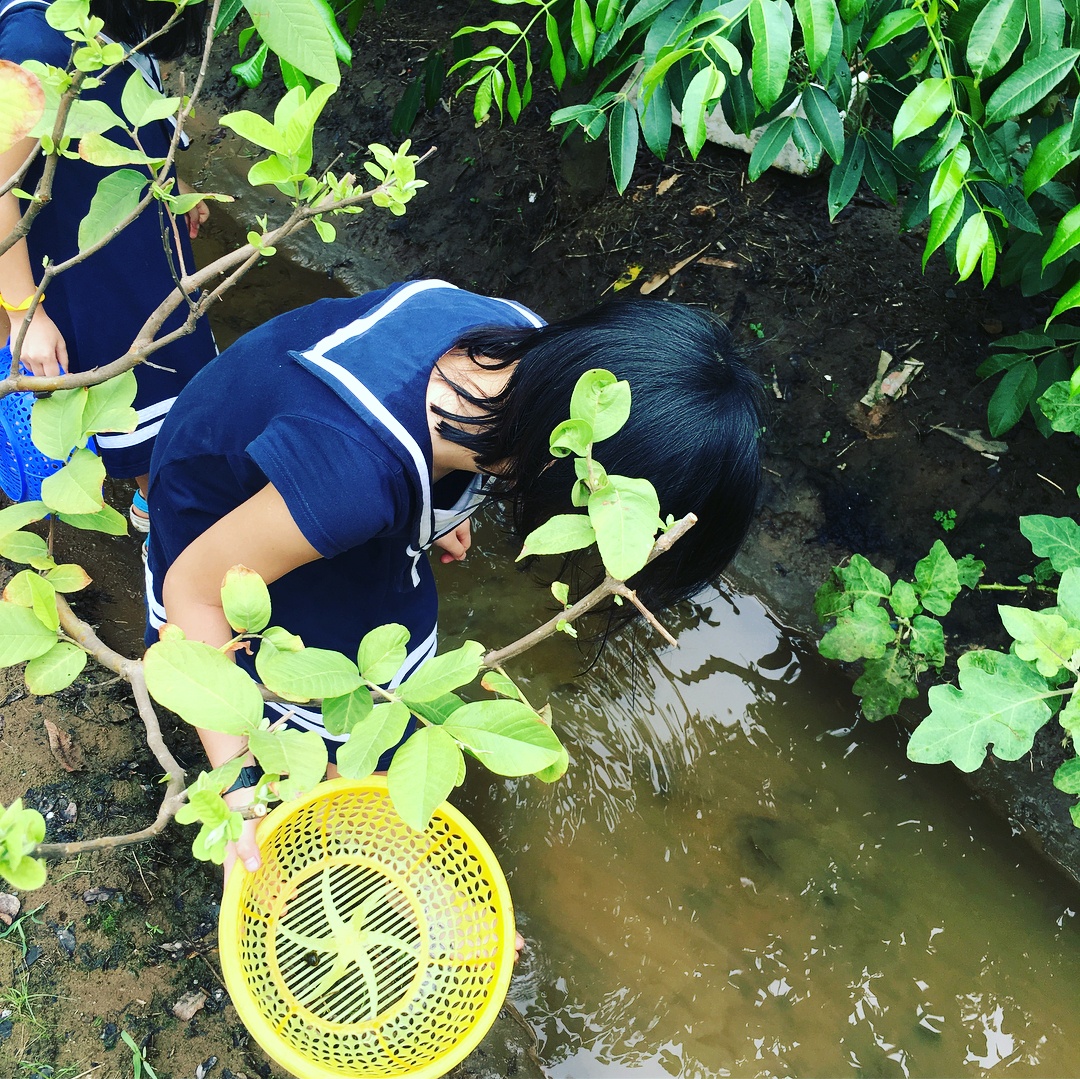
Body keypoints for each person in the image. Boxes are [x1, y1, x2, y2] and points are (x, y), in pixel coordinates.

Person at [143, 278, 765, 877]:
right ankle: (327, 822)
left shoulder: (530, 354)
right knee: (303, 680)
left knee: (380, 658)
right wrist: (241, 785)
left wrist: (440, 507)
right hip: (221, 517)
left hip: (304, 480)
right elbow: (194, 598)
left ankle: (366, 805)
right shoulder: (350, 479)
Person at [0, 0, 217, 529]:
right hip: (80, 262)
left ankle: (159, 504)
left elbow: (120, 108)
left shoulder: (105, 20)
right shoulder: (35, 45)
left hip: (123, 233)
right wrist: (25, 312)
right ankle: (169, 521)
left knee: (172, 385)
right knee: (143, 388)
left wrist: (163, 178)